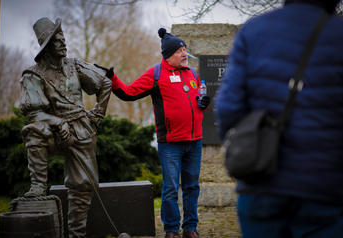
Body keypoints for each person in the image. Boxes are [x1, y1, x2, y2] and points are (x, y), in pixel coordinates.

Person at [215, 0, 343, 237]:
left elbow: (227, 107)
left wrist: (241, 148)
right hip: (325, 185)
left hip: (262, 181)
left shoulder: (254, 30)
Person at [95, 28, 210, 238]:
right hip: (171, 144)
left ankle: (190, 228)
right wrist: (112, 78)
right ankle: (171, 230)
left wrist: (204, 104)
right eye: (180, 51)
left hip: (195, 141)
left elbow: (197, 104)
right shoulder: (156, 74)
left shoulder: (192, 73)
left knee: (192, 187)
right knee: (170, 189)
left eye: (185, 49)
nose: (185, 53)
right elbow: (129, 93)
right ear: (168, 55)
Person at [19, 17, 112, 237]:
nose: (63, 43)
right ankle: (38, 187)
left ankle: (76, 234)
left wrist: (97, 115)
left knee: (84, 185)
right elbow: (34, 113)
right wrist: (57, 121)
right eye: (57, 40)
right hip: (52, 132)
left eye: (63, 38)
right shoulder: (33, 75)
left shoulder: (74, 65)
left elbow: (105, 83)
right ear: (46, 47)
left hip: (81, 128)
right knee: (34, 132)